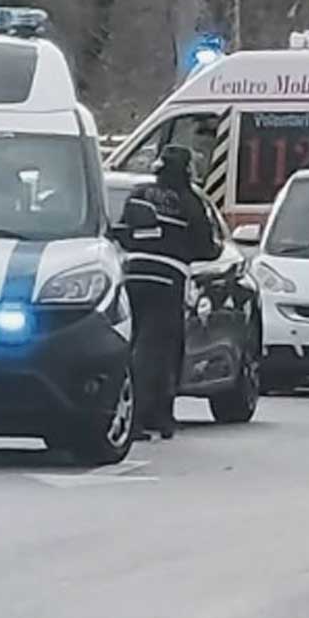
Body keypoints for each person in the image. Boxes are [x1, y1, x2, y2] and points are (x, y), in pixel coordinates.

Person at [117, 144, 220, 440]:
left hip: (133, 275)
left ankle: (141, 413)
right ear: (186, 170)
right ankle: (149, 418)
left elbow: (122, 232)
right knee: (158, 352)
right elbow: (206, 247)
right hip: (167, 280)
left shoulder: (139, 194)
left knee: (133, 344)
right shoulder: (190, 202)